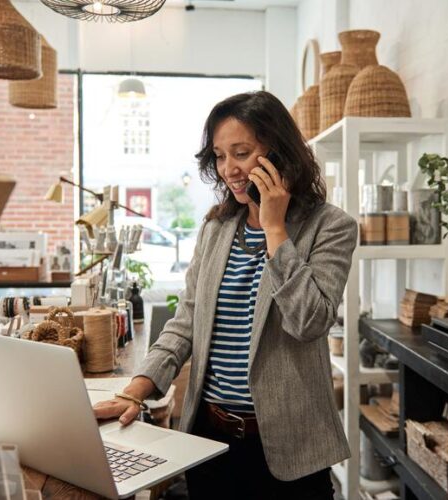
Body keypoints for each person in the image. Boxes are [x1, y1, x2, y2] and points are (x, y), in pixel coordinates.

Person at [93, 90, 358, 498]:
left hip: (290, 451)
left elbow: (310, 322)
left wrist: (275, 230)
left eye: (241, 152)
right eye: (219, 155)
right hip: (210, 441)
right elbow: (185, 325)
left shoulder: (330, 227)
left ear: (278, 154)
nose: (229, 169)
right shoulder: (216, 229)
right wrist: (137, 390)